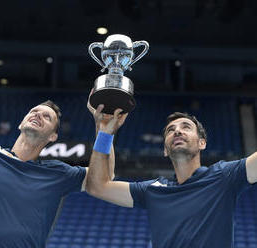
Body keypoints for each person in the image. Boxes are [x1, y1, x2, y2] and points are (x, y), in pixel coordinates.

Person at [0, 28, 116, 248]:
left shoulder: (58, 173)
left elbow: (105, 176)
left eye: (47, 117)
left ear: (53, 136)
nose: (38, 115)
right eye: (34, 112)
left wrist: (103, 129)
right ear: (20, 123)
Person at [86, 105, 257, 248]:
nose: (177, 132)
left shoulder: (223, 176)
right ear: (165, 150)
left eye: (186, 127)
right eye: (171, 130)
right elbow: (97, 186)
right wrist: (104, 133)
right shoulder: (153, 190)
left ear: (202, 143)